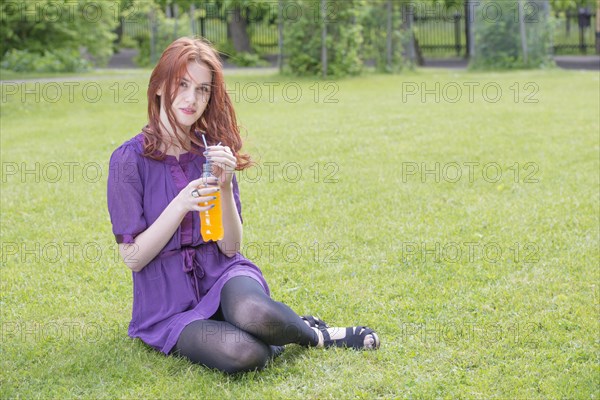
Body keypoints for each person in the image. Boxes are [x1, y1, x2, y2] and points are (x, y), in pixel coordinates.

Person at [107, 37, 380, 374]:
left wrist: (223, 186)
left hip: (222, 274)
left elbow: (231, 246)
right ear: (160, 85)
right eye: (182, 84)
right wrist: (180, 204)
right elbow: (133, 259)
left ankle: (318, 335)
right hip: (168, 304)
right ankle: (287, 329)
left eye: (203, 89)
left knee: (256, 312)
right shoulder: (128, 161)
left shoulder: (210, 153)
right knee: (245, 354)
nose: (192, 99)